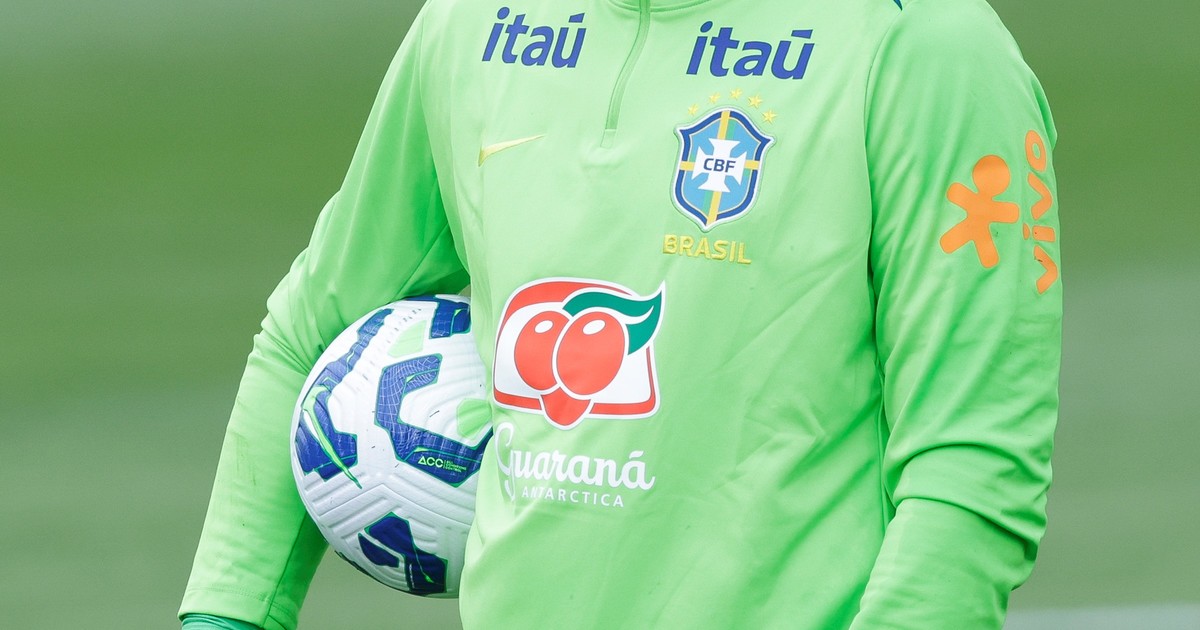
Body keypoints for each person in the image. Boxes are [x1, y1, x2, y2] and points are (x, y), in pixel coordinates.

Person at [181, 0, 1062, 627]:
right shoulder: (474, 24)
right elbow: (308, 332)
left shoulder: (929, 48)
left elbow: (972, 464)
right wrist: (227, 616)